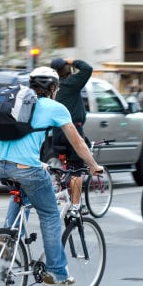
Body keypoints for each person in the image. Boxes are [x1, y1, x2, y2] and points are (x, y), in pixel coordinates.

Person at [0, 67, 102, 286]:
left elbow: (18, 139)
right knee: (50, 213)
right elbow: (78, 142)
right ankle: (57, 273)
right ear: (53, 88)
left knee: (23, 191)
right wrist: (93, 165)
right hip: (24, 167)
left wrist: (40, 163)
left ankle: (8, 238)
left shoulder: (18, 102)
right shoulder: (55, 107)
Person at [49, 57, 93, 212]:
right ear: (65, 69)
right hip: (72, 130)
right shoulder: (71, 84)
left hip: (56, 134)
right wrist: (73, 60)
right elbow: (87, 69)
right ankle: (76, 205)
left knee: (64, 167)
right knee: (76, 169)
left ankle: (62, 191)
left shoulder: (53, 87)